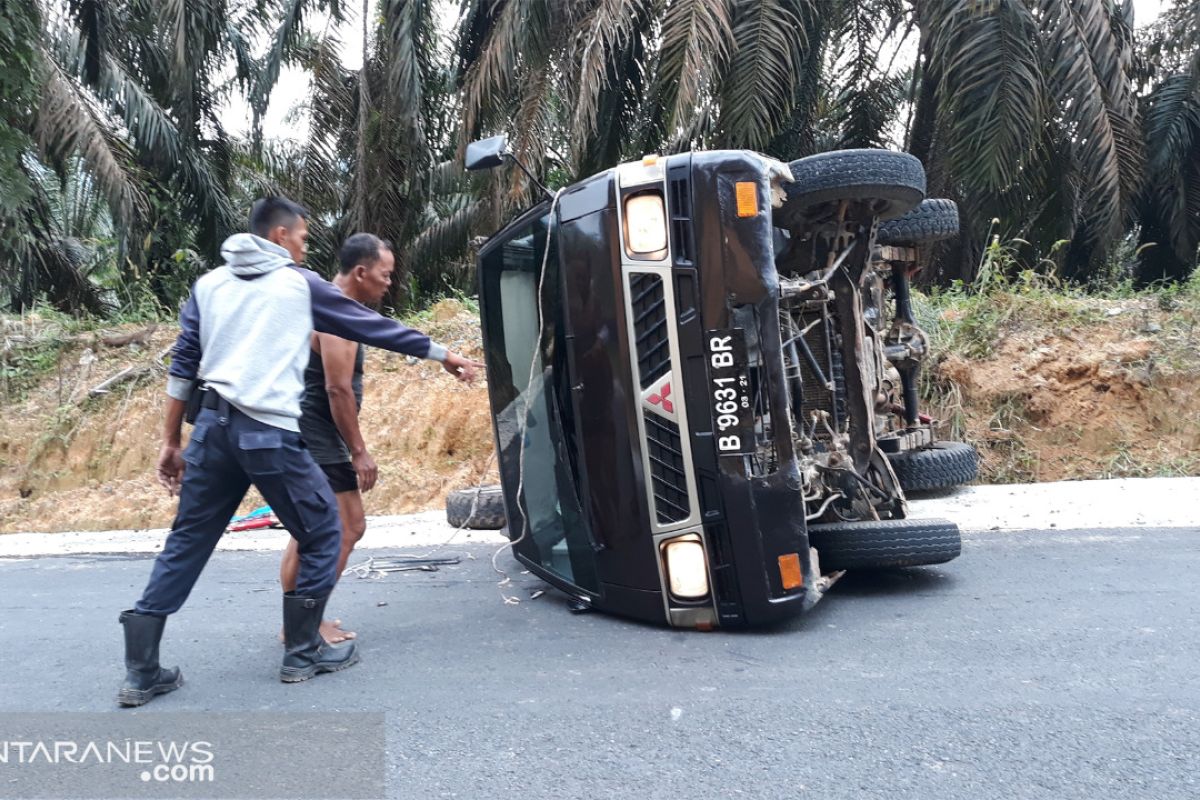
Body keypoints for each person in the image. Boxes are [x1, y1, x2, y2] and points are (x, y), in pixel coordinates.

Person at [117, 197, 482, 707]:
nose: (305, 249)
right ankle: (302, 652)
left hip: (210, 433)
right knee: (325, 530)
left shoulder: (208, 286)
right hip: (267, 432)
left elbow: (183, 365)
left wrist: (170, 440)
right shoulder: (298, 282)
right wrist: (444, 355)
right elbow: (368, 324)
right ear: (281, 237)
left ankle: (141, 672)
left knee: (187, 542)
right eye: (304, 239)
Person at [279, 233, 396, 644]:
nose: (388, 283)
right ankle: (306, 625)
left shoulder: (333, 307)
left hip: (313, 433)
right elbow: (337, 390)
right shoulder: (334, 313)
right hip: (319, 435)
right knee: (349, 526)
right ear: (361, 272)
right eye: (385, 275)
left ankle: (298, 623)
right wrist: (359, 452)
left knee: (308, 530)